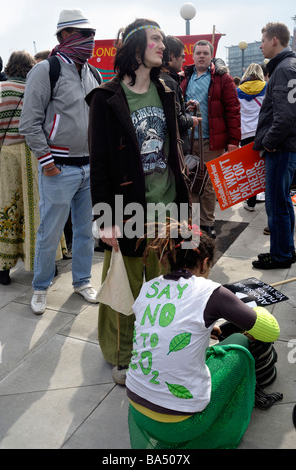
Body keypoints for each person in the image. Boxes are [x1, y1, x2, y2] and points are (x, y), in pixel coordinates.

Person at [86, 19, 190, 385]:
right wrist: (105, 219)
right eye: (156, 40)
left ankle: (160, 349)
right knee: (124, 291)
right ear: (135, 47)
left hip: (169, 206)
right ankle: (122, 356)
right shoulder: (105, 98)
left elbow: (173, 146)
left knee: (166, 288)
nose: (163, 46)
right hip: (127, 208)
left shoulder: (168, 88)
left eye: (162, 39)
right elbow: (98, 164)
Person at [126, 220, 280, 449]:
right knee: (238, 344)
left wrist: (208, 326)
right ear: (205, 262)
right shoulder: (213, 293)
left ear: (169, 259)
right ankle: (224, 420)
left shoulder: (148, 288)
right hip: (181, 422)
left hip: (137, 408)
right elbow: (271, 331)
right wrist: (248, 308)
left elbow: (164, 327)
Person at [19, 9, 101, 314]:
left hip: (88, 166)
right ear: (65, 36)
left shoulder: (92, 72)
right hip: (59, 167)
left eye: (92, 34)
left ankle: (82, 281)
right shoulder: (45, 71)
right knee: (50, 231)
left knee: (84, 230)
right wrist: (47, 161)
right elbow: (29, 123)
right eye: (83, 35)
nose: (90, 41)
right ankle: (40, 287)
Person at [181, 40, 241, 239]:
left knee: (208, 184)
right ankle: (194, 223)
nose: (201, 56)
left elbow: (233, 110)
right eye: (198, 53)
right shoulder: (185, 77)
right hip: (188, 141)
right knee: (190, 183)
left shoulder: (222, 79)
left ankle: (207, 223)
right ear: (193, 55)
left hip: (211, 140)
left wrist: (234, 140)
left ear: (211, 56)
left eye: (205, 53)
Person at [253, 22, 296, 269]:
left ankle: (280, 255)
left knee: (276, 203)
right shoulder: (289, 65)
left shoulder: (283, 69)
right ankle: (286, 251)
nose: (260, 45)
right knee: (283, 201)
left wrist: (268, 142)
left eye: (263, 40)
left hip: (280, 148)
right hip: (287, 146)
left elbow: (286, 115)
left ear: (274, 40)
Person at [0, 51, 37, 285]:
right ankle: (43, 264)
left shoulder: (0, 90)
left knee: (7, 207)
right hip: (34, 154)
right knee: (37, 209)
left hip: (8, 155)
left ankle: (2, 268)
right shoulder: (35, 88)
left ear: (10, 65)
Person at [160, 36, 199, 154]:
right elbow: (174, 120)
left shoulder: (162, 78)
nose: (184, 60)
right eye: (182, 56)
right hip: (174, 149)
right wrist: (192, 120)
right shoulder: (169, 82)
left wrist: (184, 106)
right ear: (172, 56)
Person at [237, 63, 267, 212]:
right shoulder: (266, 87)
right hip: (262, 133)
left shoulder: (238, 91)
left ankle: (251, 203)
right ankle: (270, 200)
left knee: (250, 169)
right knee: (266, 167)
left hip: (245, 134)